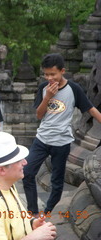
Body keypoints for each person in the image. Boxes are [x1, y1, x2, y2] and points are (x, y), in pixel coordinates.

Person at [22, 53, 101, 216]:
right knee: (27, 172)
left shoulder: (74, 89)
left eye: (53, 74)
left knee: (57, 182)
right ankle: (33, 213)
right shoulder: (43, 88)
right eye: (46, 74)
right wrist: (48, 97)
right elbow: (39, 115)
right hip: (42, 139)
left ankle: (48, 213)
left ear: (62, 71)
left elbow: (91, 109)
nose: (49, 78)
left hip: (62, 142)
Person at [0, 132, 57, 240]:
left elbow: (15, 218)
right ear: (2, 170)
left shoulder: (4, 185)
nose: (25, 162)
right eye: (19, 160)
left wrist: (32, 223)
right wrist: (34, 237)